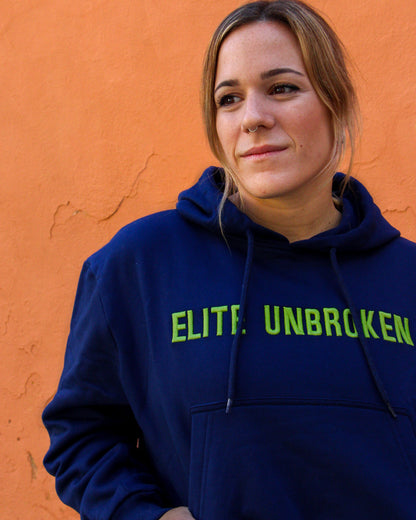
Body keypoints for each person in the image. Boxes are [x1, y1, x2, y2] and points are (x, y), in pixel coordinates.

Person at [43, 1, 416, 519]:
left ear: (337, 101)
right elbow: (81, 435)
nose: (253, 118)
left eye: (282, 88)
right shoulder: (139, 266)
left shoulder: (406, 278)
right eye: (229, 99)